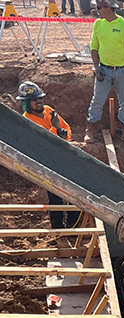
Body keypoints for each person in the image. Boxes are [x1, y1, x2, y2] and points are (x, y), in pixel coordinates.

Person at [16, 81, 79, 229]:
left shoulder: (48, 111)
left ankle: (73, 227)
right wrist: (55, 129)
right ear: (26, 103)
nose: (39, 102)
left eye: (40, 98)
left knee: (76, 194)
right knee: (55, 198)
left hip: (62, 158)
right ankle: (58, 229)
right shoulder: (26, 121)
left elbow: (66, 129)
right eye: (35, 100)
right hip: (46, 164)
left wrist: (62, 133)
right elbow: (42, 145)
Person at [84, 0, 124, 147]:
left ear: (107, 7)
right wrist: (96, 67)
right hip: (105, 70)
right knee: (97, 101)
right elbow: (94, 47)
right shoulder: (98, 24)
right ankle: (90, 130)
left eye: (99, 8)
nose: (97, 11)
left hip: (122, 71)